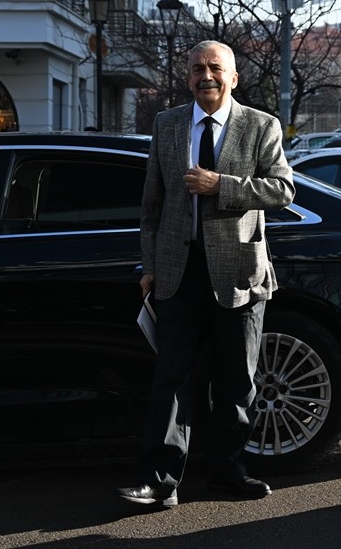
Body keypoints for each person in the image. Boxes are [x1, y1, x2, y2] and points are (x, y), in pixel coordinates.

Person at [116, 40, 295, 508]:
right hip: (179, 272)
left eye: (216, 68)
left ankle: (228, 472)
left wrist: (222, 186)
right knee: (171, 379)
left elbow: (283, 190)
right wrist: (151, 266)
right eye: (197, 69)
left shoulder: (261, 125)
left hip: (239, 273)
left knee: (237, 381)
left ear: (234, 78)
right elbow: (151, 205)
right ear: (188, 77)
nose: (206, 76)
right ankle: (159, 481)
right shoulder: (167, 124)